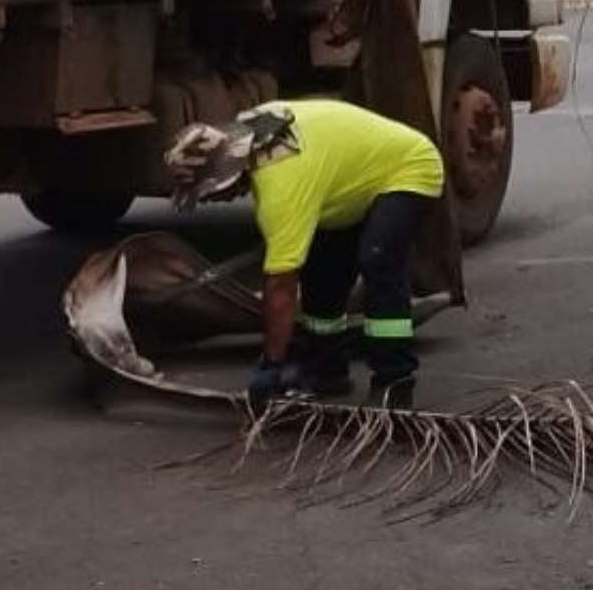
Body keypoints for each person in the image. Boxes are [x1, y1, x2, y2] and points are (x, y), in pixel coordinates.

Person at [168, 99, 445, 409]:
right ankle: (327, 370)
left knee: (377, 261)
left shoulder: (281, 186)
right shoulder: (250, 130)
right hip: (346, 182)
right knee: (322, 274)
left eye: (209, 193)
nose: (211, 201)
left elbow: (281, 285)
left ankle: (395, 379)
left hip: (407, 165)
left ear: (227, 177)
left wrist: (271, 363)